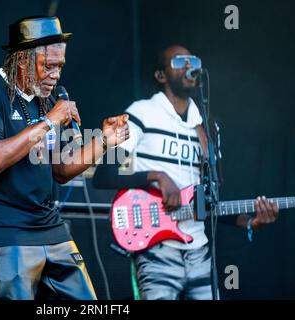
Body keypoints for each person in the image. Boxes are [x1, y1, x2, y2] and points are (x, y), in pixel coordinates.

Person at [92, 45, 279, 300]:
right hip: (156, 249)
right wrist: (155, 176)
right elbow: (104, 174)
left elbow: (208, 202)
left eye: (194, 60)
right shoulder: (140, 113)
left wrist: (249, 222)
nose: (190, 65)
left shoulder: (208, 127)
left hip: (199, 251)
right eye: (180, 61)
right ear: (161, 76)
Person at [0, 16, 129, 300]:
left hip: (48, 226)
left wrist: (103, 141)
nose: (55, 74)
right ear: (24, 60)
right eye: (47, 66)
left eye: (60, 66)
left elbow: (61, 170)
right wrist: (50, 122)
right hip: (3, 228)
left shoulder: (47, 100)